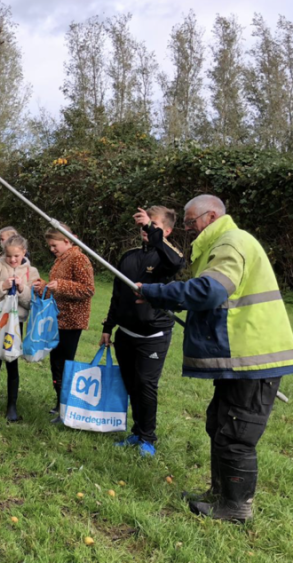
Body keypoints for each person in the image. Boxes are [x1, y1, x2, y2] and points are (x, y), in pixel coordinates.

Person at [139, 195, 293, 522]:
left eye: (190, 221)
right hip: (239, 354)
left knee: (236, 432)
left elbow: (209, 292)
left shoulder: (231, 242)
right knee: (220, 423)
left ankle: (236, 508)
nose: (186, 228)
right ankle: (220, 494)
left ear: (210, 217)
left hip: (252, 355)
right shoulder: (220, 243)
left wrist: (155, 292)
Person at [101, 206, 184, 457]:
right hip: (126, 332)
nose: (147, 229)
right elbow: (117, 295)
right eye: (145, 225)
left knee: (146, 385)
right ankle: (136, 431)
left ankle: (148, 437)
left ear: (166, 231)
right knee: (131, 384)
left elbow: (176, 263)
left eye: (154, 225)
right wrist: (108, 327)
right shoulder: (129, 256)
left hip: (154, 335)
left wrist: (150, 228)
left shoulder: (168, 257)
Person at [33, 224, 95, 424]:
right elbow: (56, 289)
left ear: (67, 240)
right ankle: (60, 403)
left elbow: (88, 289)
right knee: (56, 363)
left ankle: (67, 408)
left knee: (65, 364)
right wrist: (44, 286)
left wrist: (61, 286)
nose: (52, 249)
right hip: (58, 318)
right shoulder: (61, 260)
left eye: (54, 245)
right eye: (50, 246)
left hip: (72, 321)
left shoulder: (79, 258)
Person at [0, 235, 40, 421]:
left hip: (17, 324)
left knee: (12, 362)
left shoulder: (31, 272)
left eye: (17, 256)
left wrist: (22, 289)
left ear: (24, 252)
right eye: (9, 256)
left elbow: (32, 302)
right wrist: (3, 286)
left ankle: (11, 405)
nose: (13, 260)